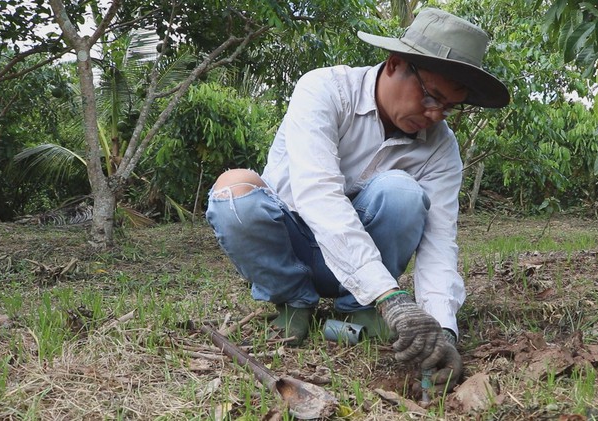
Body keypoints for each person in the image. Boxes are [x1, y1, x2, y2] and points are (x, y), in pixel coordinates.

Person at [206, 8, 509, 393]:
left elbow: (438, 242)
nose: (434, 114)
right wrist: (393, 297)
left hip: (368, 271)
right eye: (431, 96)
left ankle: (358, 306)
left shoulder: (441, 149)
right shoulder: (325, 90)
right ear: (395, 63)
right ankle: (293, 301)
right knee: (234, 192)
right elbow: (318, 195)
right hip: (293, 243)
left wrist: (443, 330)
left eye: (448, 107)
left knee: (402, 192)